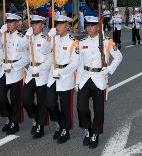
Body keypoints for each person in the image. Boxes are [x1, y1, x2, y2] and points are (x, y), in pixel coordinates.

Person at [76, 16, 123, 149]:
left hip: (99, 79)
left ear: (98, 27)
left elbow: (118, 57)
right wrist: (77, 82)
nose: (89, 28)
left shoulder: (107, 41)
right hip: (85, 78)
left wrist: (109, 69)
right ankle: (88, 129)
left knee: (98, 110)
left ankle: (95, 133)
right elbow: (80, 64)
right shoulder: (82, 42)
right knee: (81, 107)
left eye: (92, 26)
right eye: (87, 26)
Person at [46, 15, 79, 144]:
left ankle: (65, 129)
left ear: (68, 26)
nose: (58, 26)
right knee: (50, 103)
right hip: (52, 75)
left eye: (60, 24)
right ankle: (59, 122)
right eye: (57, 24)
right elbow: (44, 51)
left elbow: (75, 63)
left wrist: (62, 72)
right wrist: (49, 37)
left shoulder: (73, 42)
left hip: (65, 77)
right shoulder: (53, 38)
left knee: (65, 106)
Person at [0, 13, 29, 135]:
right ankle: (9, 117)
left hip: (15, 71)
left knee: (15, 99)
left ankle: (14, 123)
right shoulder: (4, 35)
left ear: (16, 23)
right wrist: (1, 33)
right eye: (7, 22)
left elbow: (26, 59)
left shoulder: (22, 38)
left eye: (11, 22)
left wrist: (13, 66)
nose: (9, 24)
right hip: (4, 70)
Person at [23, 15, 52, 139]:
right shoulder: (28, 37)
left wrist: (41, 69)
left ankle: (40, 126)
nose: (33, 26)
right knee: (26, 100)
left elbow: (49, 57)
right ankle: (36, 117)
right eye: (32, 23)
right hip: (30, 72)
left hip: (42, 72)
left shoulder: (47, 39)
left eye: (36, 24)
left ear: (42, 25)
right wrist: (26, 37)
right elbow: (20, 49)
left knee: (41, 102)